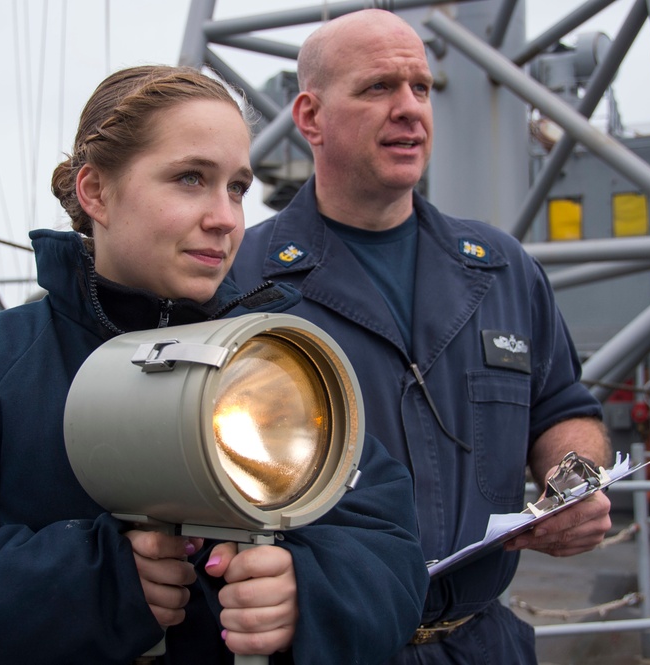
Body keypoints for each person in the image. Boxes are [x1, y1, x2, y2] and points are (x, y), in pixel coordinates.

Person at [0, 65, 428, 664]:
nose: (225, 218)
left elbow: (387, 546)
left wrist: (310, 594)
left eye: (236, 186)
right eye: (190, 178)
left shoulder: (278, 366)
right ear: (95, 190)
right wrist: (94, 584)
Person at [230, 10, 612, 664]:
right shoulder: (242, 279)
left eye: (421, 88)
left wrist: (574, 478)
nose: (410, 109)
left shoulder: (500, 268)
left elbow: (563, 407)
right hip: (328, 646)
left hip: (483, 641)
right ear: (310, 116)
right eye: (379, 87)